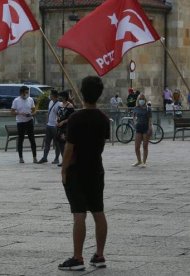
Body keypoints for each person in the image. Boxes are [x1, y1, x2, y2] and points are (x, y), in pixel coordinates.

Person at [58, 76, 110, 271]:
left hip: (77, 170)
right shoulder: (104, 119)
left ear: (81, 92)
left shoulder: (75, 118)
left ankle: (78, 258)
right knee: (98, 211)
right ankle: (99, 255)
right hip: (96, 169)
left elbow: (69, 149)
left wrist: (64, 170)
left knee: (79, 213)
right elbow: (101, 145)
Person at [11, 86, 37, 163]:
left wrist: (31, 114)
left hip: (29, 121)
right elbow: (12, 112)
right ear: (21, 93)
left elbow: (34, 111)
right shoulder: (16, 100)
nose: (27, 94)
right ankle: (21, 158)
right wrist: (19, 113)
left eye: (27, 92)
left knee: (32, 139)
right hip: (20, 122)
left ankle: (34, 157)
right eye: (25, 92)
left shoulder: (30, 99)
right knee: (20, 140)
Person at [37, 89, 60, 164]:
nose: (50, 96)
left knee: (57, 143)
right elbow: (49, 112)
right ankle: (44, 157)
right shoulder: (50, 102)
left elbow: (59, 115)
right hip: (49, 125)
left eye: (51, 95)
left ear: (53, 96)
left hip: (55, 126)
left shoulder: (59, 104)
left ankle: (56, 158)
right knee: (47, 142)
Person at [132, 94, 152, 168]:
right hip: (138, 128)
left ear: (145, 100)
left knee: (145, 146)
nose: (141, 100)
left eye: (143, 99)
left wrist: (150, 128)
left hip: (145, 128)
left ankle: (144, 162)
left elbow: (150, 119)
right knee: (137, 146)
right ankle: (139, 160)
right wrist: (134, 122)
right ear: (138, 100)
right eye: (140, 99)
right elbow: (133, 116)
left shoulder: (148, 108)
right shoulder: (136, 108)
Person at [56, 90, 75, 167]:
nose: (59, 98)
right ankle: (64, 159)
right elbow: (58, 114)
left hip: (66, 127)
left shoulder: (70, 106)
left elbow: (71, 117)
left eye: (61, 96)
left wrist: (63, 122)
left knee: (65, 143)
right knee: (60, 143)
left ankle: (68, 160)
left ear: (64, 97)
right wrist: (57, 120)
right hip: (59, 126)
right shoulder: (60, 105)